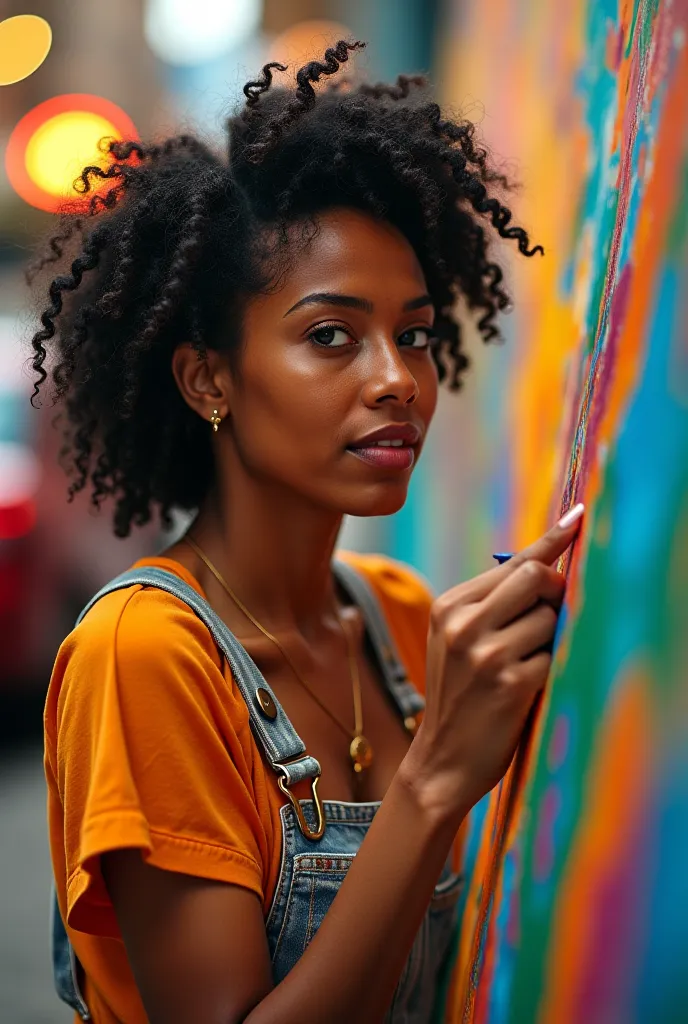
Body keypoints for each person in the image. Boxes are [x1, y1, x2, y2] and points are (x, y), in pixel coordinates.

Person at [31, 40, 583, 1024]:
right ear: (207, 378)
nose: (396, 380)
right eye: (331, 334)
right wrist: (430, 785)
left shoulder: (408, 622)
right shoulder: (146, 656)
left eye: (412, 333)